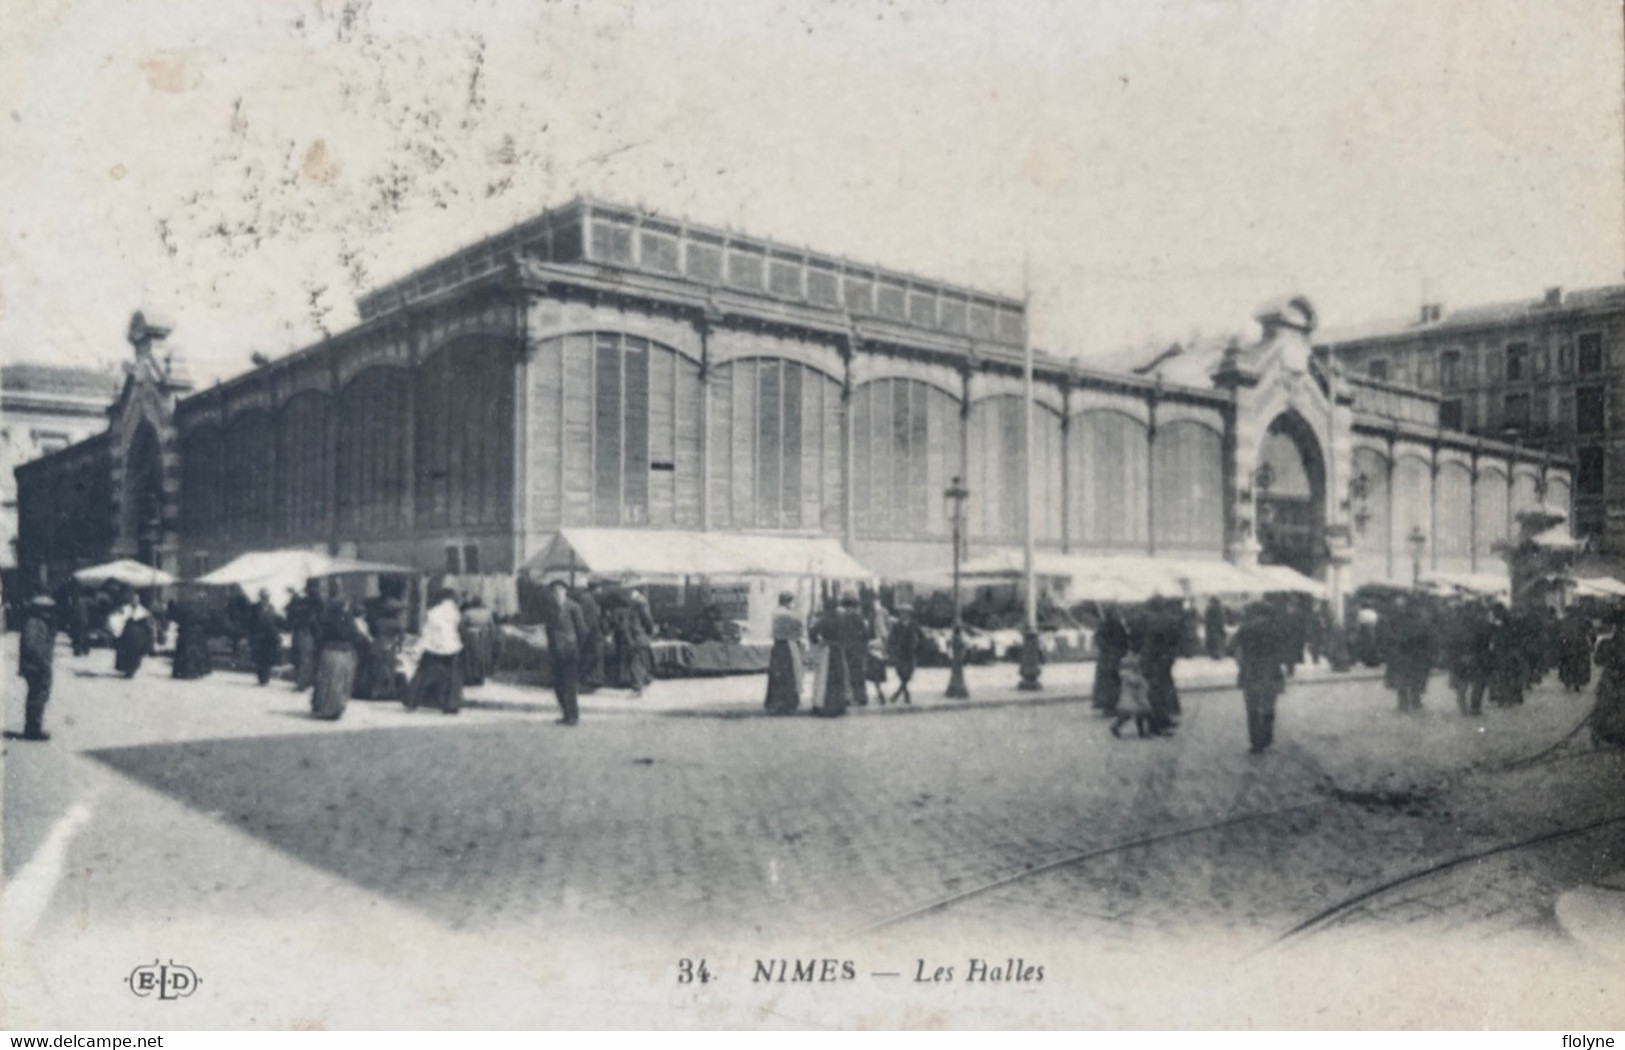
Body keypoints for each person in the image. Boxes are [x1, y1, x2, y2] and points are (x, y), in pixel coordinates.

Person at [1230, 601, 1288, 753]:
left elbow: (1230, 646)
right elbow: (1285, 650)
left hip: (1250, 672)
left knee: (1252, 708)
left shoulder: (1245, 628)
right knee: (1269, 704)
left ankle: (1256, 742)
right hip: (1271, 672)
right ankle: (1267, 736)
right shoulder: (1276, 628)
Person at [407, 589, 465, 714]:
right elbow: (457, 627)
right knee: (452, 675)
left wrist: (420, 646)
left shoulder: (433, 612)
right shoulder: (455, 612)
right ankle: (451, 704)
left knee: (424, 672)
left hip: (434, 644)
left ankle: (412, 699)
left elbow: (427, 630)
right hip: (451, 645)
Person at [311, 595, 368, 720]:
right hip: (345, 653)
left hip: (329, 652)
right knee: (342, 682)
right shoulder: (347, 619)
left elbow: (320, 636)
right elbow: (355, 635)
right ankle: (336, 708)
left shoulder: (326, 618)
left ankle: (323, 706)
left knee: (326, 681)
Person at [11, 596, 56, 741]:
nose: (50, 612)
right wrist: (43, 662)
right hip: (36, 666)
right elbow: (31, 646)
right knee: (38, 695)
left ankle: (33, 726)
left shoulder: (38, 622)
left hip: (37, 665)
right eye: (47, 609)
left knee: (38, 695)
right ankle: (33, 729)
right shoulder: (35, 623)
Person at [544, 580, 589, 725]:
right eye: (554, 590)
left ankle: (573, 716)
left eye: (559, 589)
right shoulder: (550, 609)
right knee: (558, 685)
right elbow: (549, 630)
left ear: (565, 591)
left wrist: (577, 647)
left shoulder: (574, 607)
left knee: (570, 685)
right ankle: (565, 713)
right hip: (556, 652)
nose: (557, 593)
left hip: (570, 652)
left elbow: (582, 630)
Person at [809, 596, 862, 718]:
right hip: (838, 649)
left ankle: (822, 704)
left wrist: (818, 641)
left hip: (827, 649)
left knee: (823, 677)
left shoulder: (823, 620)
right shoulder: (842, 619)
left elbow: (812, 633)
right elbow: (849, 634)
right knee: (839, 676)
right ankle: (839, 705)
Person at [1380, 594, 1434, 711]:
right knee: (1413, 678)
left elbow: (1391, 634)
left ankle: (1405, 703)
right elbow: (1427, 634)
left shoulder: (1399, 617)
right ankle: (1413, 701)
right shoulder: (1421, 616)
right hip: (1414, 653)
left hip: (1403, 652)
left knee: (1403, 679)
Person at [356, 592, 407, 700]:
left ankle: (374, 691)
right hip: (390, 646)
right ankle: (387, 692)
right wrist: (399, 646)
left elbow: (372, 633)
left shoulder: (378, 621)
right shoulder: (397, 624)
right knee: (389, 669)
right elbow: (401, 638)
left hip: (377, 645)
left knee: (376, 669)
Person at [765, 591, 806, 714]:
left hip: (777, 645)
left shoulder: (775, 613)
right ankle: (789, 702)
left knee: (777, 674)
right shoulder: (789, 615)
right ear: (789, 601)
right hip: (788, 646)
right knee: (789, 674)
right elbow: (799, 627)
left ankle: (774, 702)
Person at [1591, 609, 1625, 748]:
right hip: (1614, 680)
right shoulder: (1607, 643)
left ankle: (1605, 733)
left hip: (1611, 679)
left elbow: (1598, 660)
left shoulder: (1607, 643)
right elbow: (1598, 660)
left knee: (1608, 706)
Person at [1091, 605, 1130, 714]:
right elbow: (1124, 641)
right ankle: (1111, 705)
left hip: (1107, 657)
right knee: (1112, 681)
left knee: (1108, 682)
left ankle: (1109, 705)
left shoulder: (1104, 626)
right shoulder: (1116, 626)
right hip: (1112, 657)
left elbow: (1099, 640)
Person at [885, 604, 925, 705]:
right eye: (902, 613)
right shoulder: (896, 626)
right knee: (901, 674)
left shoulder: (914, 625)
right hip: (900, 654)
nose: (904, 615)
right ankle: (905, 694)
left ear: (910, 615)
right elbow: (891, 639)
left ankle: (898, 694)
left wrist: (918, 647)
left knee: (908, 675)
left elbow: (922, 638)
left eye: (906, 613)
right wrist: (891, 649)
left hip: (910, 653)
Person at [285, 581, 322, 691]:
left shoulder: (313, 601)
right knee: (303, 658)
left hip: (308, 632)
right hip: (304, 632)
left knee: (305, 658)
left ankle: (303, 682)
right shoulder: (305, 601)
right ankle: (302, 681)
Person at [171, 592, 215, 680]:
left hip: (188, 632)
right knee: (193, 652)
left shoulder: (185, 607)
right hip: (194, 632)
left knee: (187, 652)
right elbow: (206, 619)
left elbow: (177, 617)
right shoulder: (200, 608)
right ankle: (195, 671)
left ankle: (184, 671)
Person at [1109, 653, 1153, 739]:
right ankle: (1116, 727)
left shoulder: (1129, 675)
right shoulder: (1130, 676)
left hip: (1133, 700)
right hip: (1131, 700)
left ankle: (1141, 731)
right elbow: (1136, 682)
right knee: (1129, 715)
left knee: (1136, 715)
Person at [111, 592, 154, 678]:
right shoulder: (125, 608)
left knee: (135, 655)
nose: (134, 601)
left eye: (136, 599)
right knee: (125, 653)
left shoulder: (143, 611)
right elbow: (118, 619)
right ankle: (126, 669)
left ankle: (131, 671)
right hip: (126, 635)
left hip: (138, 637)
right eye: (133, 599)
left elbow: (148, 625)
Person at [622, 589, 655, 697]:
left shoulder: (639, 606)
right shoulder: (636, 606)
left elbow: (648, 621)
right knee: (639, 660)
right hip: (636, 636)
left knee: (635, 662)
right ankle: (646, 679)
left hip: (637, 636)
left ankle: (637, 688)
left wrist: (648, 631)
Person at [460, 596, 497, 687]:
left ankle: (470, 677)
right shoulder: (487, 613)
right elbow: (492, 626)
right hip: (484, 636)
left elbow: (461, 626)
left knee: (470, 657)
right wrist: (491, 637)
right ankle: (480, 677)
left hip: (471, 636)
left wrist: (463, 637)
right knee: (482, 657)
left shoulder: (467, 613)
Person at [246, 589, 281, 685]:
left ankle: (266, 678)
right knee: (259, 659)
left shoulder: (271, 608)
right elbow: (250, 623)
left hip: (269, 638)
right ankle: (261, 677)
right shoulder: (254, 608)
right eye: (263, 597)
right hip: (258, 637)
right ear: (260, 597)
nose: (265, 599)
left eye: (267, 597)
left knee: (268, 658)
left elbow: (274, 622)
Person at [576, 582, 605, 694]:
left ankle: (585, 683)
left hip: (590, 633)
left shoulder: (590, 599)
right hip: (588, 634)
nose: (600, 592)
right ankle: (580, 684)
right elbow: (588, 620)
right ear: (594, 589)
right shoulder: (587, 599)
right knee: (587, 658)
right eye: (599, 589)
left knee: (590, 657)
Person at [1557, 608, 1594, 693]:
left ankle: (1569, 681)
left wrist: (1561, 642)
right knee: (1578, 665)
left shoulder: (1564, 621)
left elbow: (1560, 634)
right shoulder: (1584, 620)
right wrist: (1592, 643)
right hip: (1579, 646)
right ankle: (1576, 682)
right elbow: (1591, 632)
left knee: (1569, 664)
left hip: (1569, 646)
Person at [65, 581, 91, 657]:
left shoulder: (77, 601)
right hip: (81, 619)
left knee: (79, 635)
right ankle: (83, 649)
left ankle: (80, 649)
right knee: (81, 635)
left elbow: (72, 611)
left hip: (79, 619)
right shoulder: (81, 601)